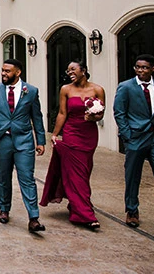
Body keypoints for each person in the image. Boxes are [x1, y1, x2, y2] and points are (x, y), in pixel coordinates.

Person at [0, 58, 47, 233]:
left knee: (27, 177)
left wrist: (40, 141)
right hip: (2, 140)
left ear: (18, 73)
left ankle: (33, 218)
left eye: (7, 71)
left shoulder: (31, 91)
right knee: (3, 176)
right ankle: (4, 209)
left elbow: (37, 117)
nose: (3, 74)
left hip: (24, 140)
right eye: (2, 70)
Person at [41, 60, 105, 230]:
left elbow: (101, 114)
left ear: (83, 70)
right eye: (68, 70)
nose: (69, 72)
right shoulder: (66, 89)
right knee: (75, 174)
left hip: (89, 135)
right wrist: (55, 134)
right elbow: (62, 113)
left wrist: (94, 117)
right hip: (71, 133)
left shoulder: (97, 89)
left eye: (73, 69)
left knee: (84, 172)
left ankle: (76, 204)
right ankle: (85, 215)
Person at [113, 53, 154, 230]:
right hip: (135, 137)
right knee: (133, 176)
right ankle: (132, 211)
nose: (140, 70)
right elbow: (119, 112)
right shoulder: (126, 87)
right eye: (137, 67)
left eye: (144, 67)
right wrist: (128, 135)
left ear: (152, 69)